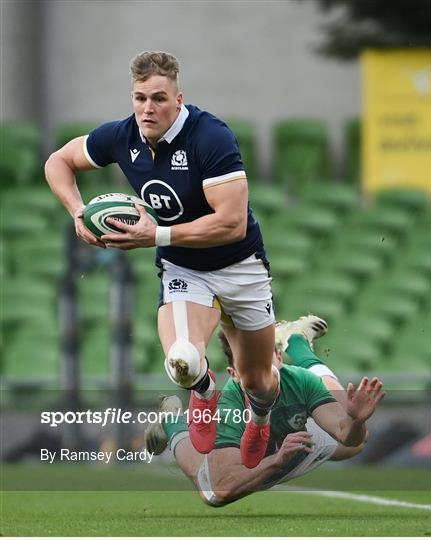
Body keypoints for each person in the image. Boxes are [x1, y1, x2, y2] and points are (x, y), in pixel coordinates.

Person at [44, 51, 279, 467]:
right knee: (183, 361)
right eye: (139, 98)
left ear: (179, 99)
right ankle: (205, 392)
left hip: (241, 266)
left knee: (260, 381)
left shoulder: (211, 137)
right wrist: (77, 210)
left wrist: (157, 235)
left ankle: (258, 419)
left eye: (158, 98)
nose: (147, 108)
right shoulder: (122, 136)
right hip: (185, 267)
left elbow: (232, 224)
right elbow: (58, 161)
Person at [144, 315, 385, 506]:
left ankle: (296, 341)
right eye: (247, 364)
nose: (258, 371)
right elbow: (223, 486)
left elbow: (347, 434)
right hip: (264, 455)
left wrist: (355, 419)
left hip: (289, 441)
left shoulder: (299, 380)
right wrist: (278, 460)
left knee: (355, 441)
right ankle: (172, 418)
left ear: (279, 357)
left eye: (263, 358)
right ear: (234, 374)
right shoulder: (231, 404)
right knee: (211, 493)